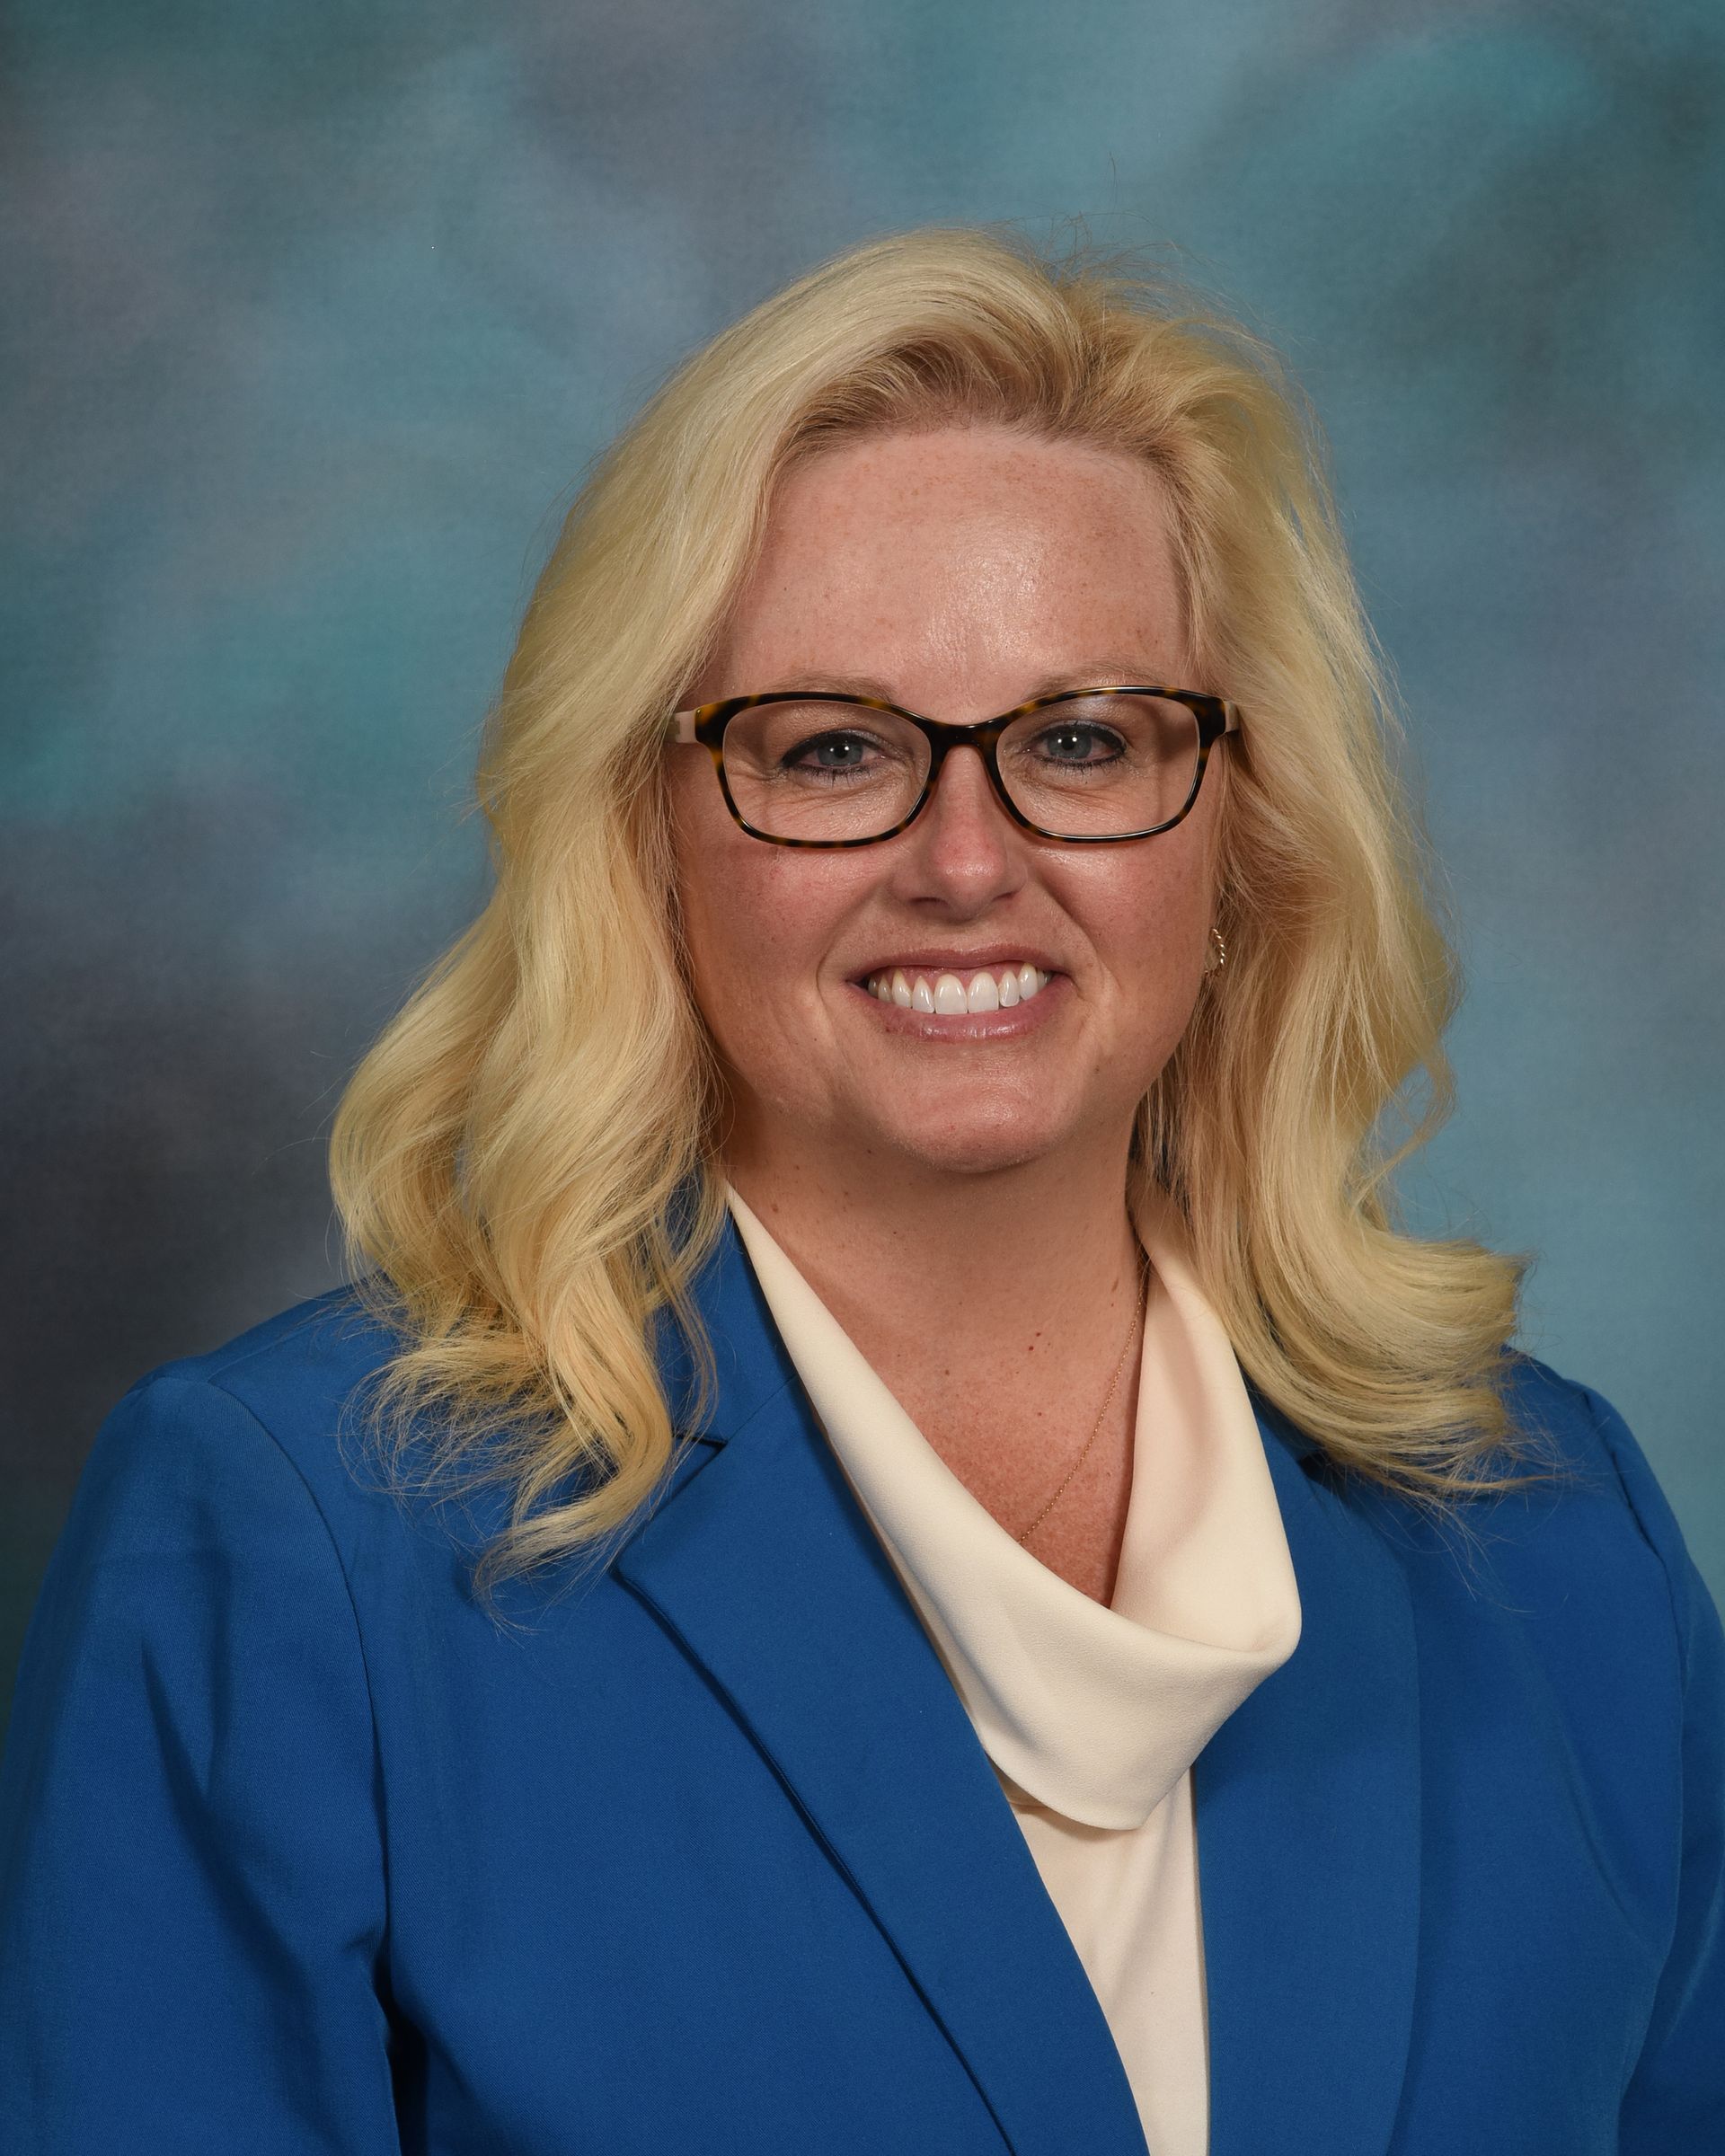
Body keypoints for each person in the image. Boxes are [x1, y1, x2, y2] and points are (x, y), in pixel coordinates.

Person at [1, 225, 1721, 2156]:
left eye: (1082, 740)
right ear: (643, 834)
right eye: (830, 752)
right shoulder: (303, 1544)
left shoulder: (1559, 1547)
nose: (968, 860)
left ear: (1247, 834)